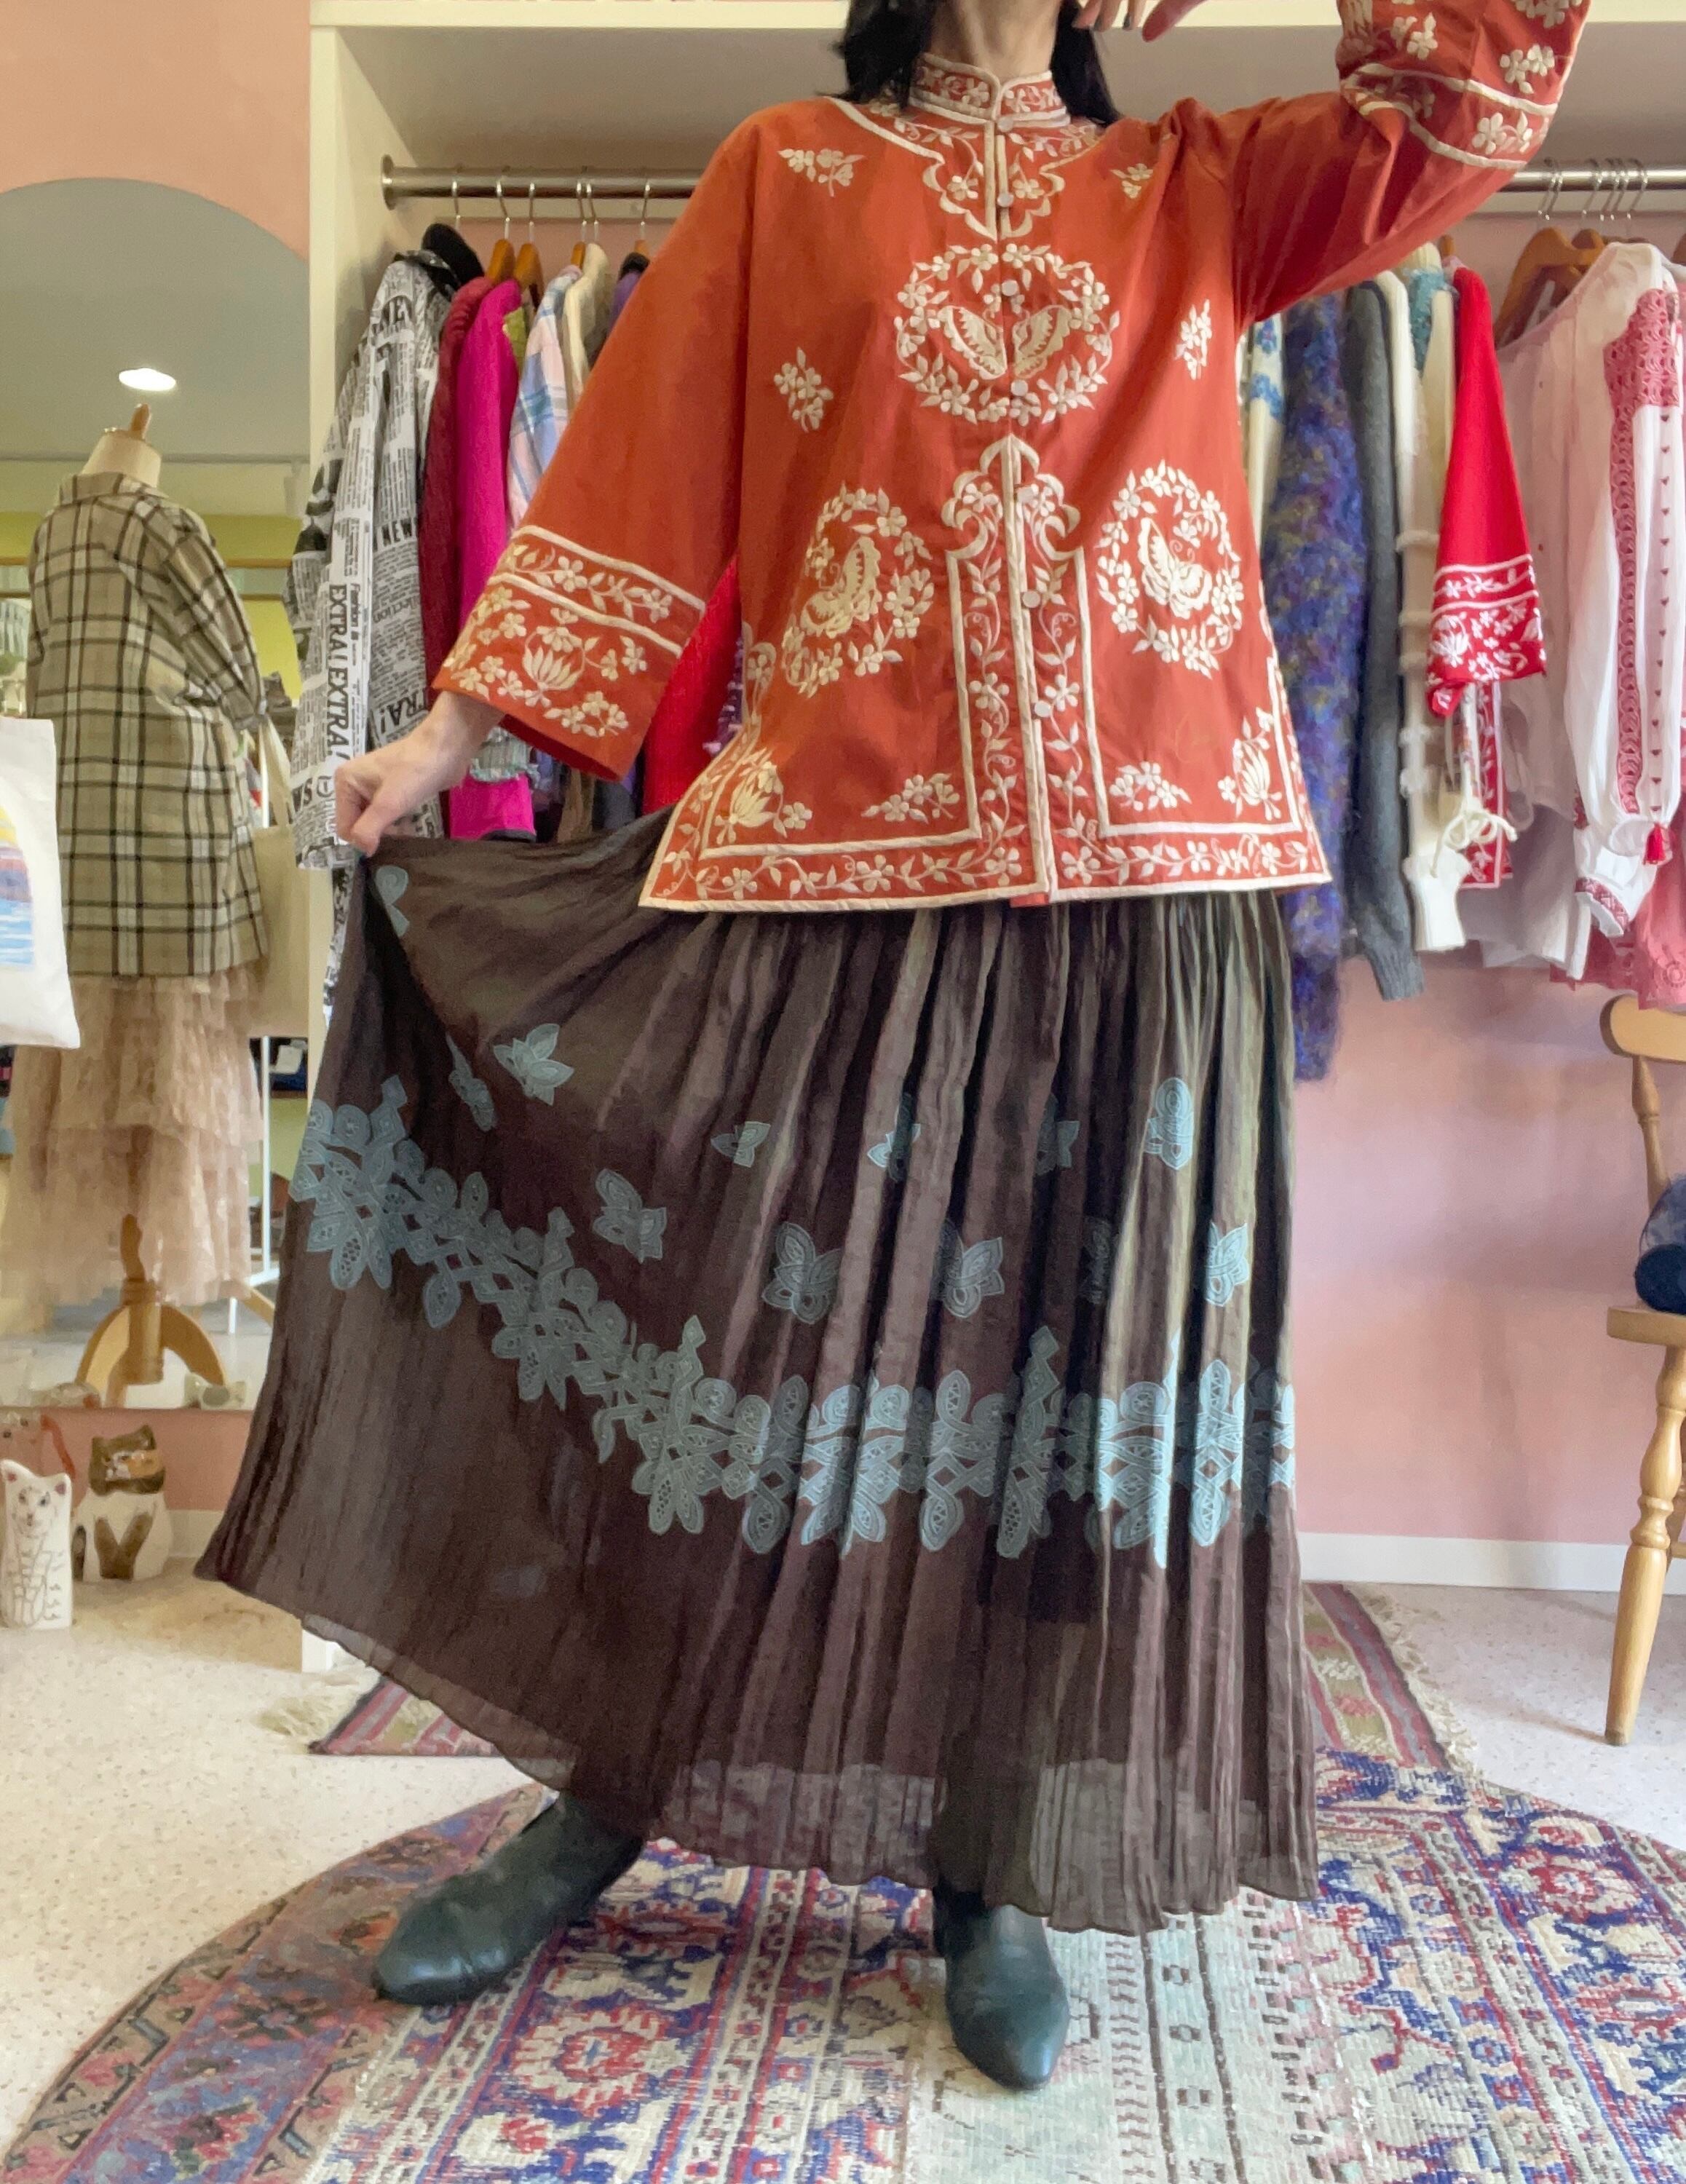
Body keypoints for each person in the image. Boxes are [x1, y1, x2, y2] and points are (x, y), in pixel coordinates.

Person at [205, 0, 1584, 2092]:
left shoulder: (1205, 184)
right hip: (838, 853)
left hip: (1148, 886)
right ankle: (605, 1791)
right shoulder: (793, 170)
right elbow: (638, 472)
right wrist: (454, 728)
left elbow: (1465, 98)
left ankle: (988, 1865)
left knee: (1058, 1387)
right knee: (744, 1365)